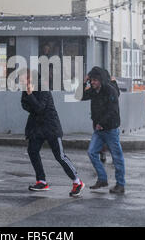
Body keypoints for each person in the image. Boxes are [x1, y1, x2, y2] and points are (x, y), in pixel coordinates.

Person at [21, 69, 85, 197]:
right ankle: (42, 181)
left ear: (30, 78)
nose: (21, 81)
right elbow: (24, 105)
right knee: (32, 151)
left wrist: (30, 95)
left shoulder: (43, 88)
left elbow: (39, 108)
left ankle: (77, 182)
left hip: (50, 126)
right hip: (37, 127)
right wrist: (29, 95)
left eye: (23, 78)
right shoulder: (27, 89)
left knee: (59, 156)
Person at [76, 67, 126, 194]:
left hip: (110, 129)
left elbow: (112, 110)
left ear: (101, 80)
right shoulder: (93, 91)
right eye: (91, 80)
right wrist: (83, 82)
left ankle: (120, 185)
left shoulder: (110, 91)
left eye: (95, 80)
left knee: (117, 157)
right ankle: (102, 179)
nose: (92, 82)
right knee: (92, 152)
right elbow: (79, 96)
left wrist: (102, 123)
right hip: (99, 129)